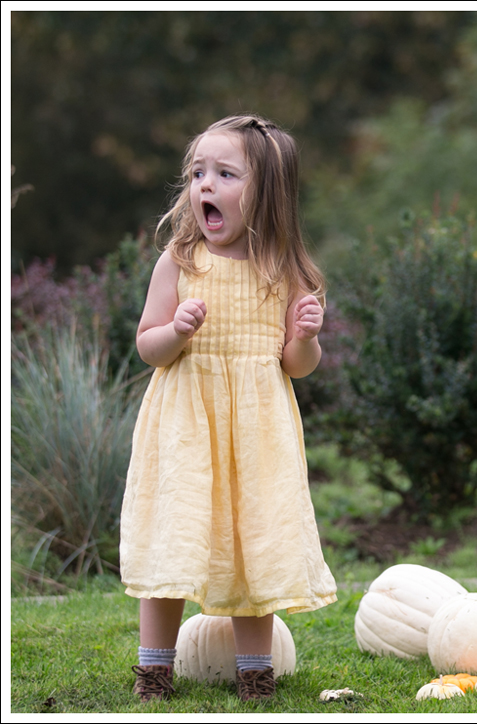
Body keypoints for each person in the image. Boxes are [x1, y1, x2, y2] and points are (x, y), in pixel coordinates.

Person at [120, 114, 337, 703]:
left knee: (254, 546)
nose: (204, 185)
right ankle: (154, 671)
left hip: (256, 437)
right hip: (187, 429)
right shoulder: (180, 262)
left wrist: (308, 336)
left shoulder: (283, 272)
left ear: (265, 193)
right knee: (175, 540)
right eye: (197, 173)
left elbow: (295, 366)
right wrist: (177, 330)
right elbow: (148, 348)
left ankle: (255, 674)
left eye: (224, 173)